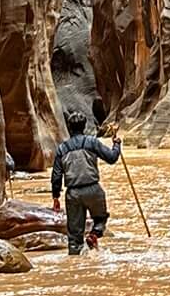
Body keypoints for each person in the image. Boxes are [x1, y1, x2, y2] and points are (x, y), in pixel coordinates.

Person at [51, 108, 121, 254]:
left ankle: (75, 262)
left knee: (74, 236)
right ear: (83, 127)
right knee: (101, 219)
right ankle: (94, 235)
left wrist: (55, 196)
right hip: (93, 189)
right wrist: (116, 144)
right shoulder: (92, 142)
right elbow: (112, 158)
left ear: (69, 128)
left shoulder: (62, 149)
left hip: (73, 194)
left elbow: (56, 175)